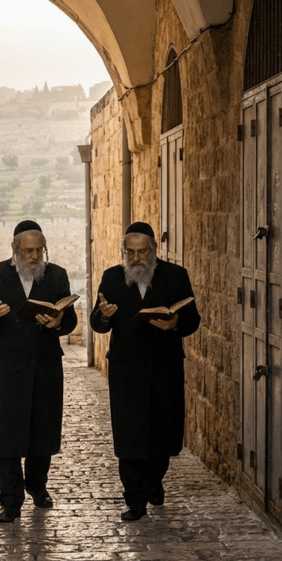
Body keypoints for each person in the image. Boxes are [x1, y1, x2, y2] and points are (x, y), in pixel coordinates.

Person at [0, 220, 78, 523]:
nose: (34, 256)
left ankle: (38, 488)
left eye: (39, 250)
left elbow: (70, 319)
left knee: (43, 430)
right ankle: (10, 501)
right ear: (15, 249)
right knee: (7, 435)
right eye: (28, 251)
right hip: (5, 367)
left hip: (45, 365)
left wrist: (59, 322)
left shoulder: (57, 275)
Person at [90, 221, 200, 521]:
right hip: (126, 369)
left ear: (153, 249)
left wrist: (175, 324)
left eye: (142, 252)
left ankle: (154, 480)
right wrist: (103, 315)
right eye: (130, 252)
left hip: (165, 367)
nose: (136, 258)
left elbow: (192, 319)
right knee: (129, 435)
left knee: (162, 433)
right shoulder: (112, 277)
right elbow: (97, 323)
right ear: (124, 251)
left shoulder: (176, 275)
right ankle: (135, 499)